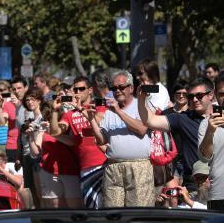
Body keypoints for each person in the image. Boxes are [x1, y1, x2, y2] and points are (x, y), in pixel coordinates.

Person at [87, 70, 154, 207]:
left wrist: (118, 111)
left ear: (131, 88)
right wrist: (92, 120)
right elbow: (101, 140)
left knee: (138, 213)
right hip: (113, 167)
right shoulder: (109, 110)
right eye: (114, 88)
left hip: (138, 167)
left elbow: (142, 129)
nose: (117, 91)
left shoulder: (140, 105)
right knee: (113, 214)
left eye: (121, 87)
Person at [140, 78, 215, 187]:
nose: (194, 100)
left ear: (211, 95)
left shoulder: (221, 117)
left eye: (199, 95)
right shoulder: (183, 118)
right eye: (190, 97)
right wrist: (142, 98)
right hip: (194, 184)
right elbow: (149, 121)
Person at [50, 76, 107, 208]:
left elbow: (100, 122)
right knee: (92, 208)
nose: (77, 92)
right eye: (75, 89)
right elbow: (56, 132)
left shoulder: (99, 105)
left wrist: (82, 109)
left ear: (90, 90)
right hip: (85, 167)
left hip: (104, 163)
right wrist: (54, 110)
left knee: (108, 206)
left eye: (81, 89)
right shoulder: (69, 114)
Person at [27, 103, 81, 208]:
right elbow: (35, 153)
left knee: (75, 206)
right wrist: (30, 138)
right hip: (48, 171)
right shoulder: (43, 131)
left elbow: (73, 142)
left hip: (70, 170)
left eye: (52, 118)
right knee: (55, 206)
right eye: (48, 118)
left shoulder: (65, 126)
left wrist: (54, 132)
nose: (50, 121)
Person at [198, 76, 224, 210]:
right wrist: (210, 131)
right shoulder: (206, 124)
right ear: (215, 95)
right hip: (218, 194)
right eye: (222, 94)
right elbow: (205, 157)